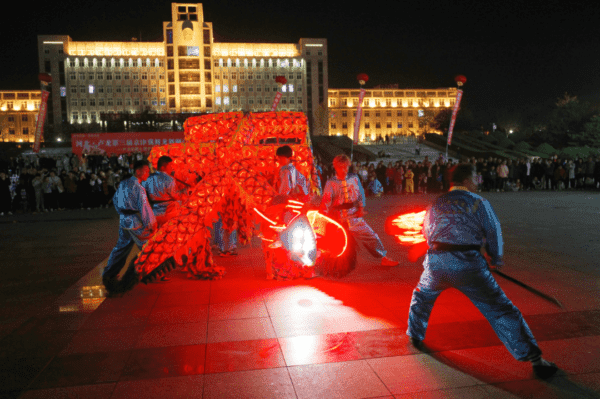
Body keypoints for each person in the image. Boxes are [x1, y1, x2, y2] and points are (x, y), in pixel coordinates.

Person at [406, 163, 558, 379]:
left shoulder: (437, 202)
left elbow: (426, 230)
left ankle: (415, 334)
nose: (478, 180)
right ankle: (535, 360)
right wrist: (496, 258)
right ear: (467, 180)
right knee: (501, 310)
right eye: (475, 176)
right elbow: (493, 230)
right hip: (469, 264)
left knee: (422, 296)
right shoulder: (479, 203)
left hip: (437, 262)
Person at [321, 154, 399, 268]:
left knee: (371, 236)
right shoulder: (331, 182)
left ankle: (384, 258)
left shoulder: (354, 178)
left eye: (346, 166)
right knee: (332, 242)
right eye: (341, 167)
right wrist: (323, 216)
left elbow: (360, 194)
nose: (344, 170)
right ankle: (325, 264)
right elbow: (326, 201)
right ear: (336, 167)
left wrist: (361, 208)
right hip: (337, 218)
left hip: (353, 215)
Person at [102, 160, 156, 295]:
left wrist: (122, 213)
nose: (148, 173)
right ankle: (139, 275)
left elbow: (115, 200)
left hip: (124, 219)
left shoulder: (123, 184)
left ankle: (109, 275)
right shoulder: (138, 188)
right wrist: (151, 224)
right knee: (150, 246)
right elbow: (144, 208)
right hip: (134, 222)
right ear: (138, 171)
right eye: (146, 171)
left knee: (121, 248)